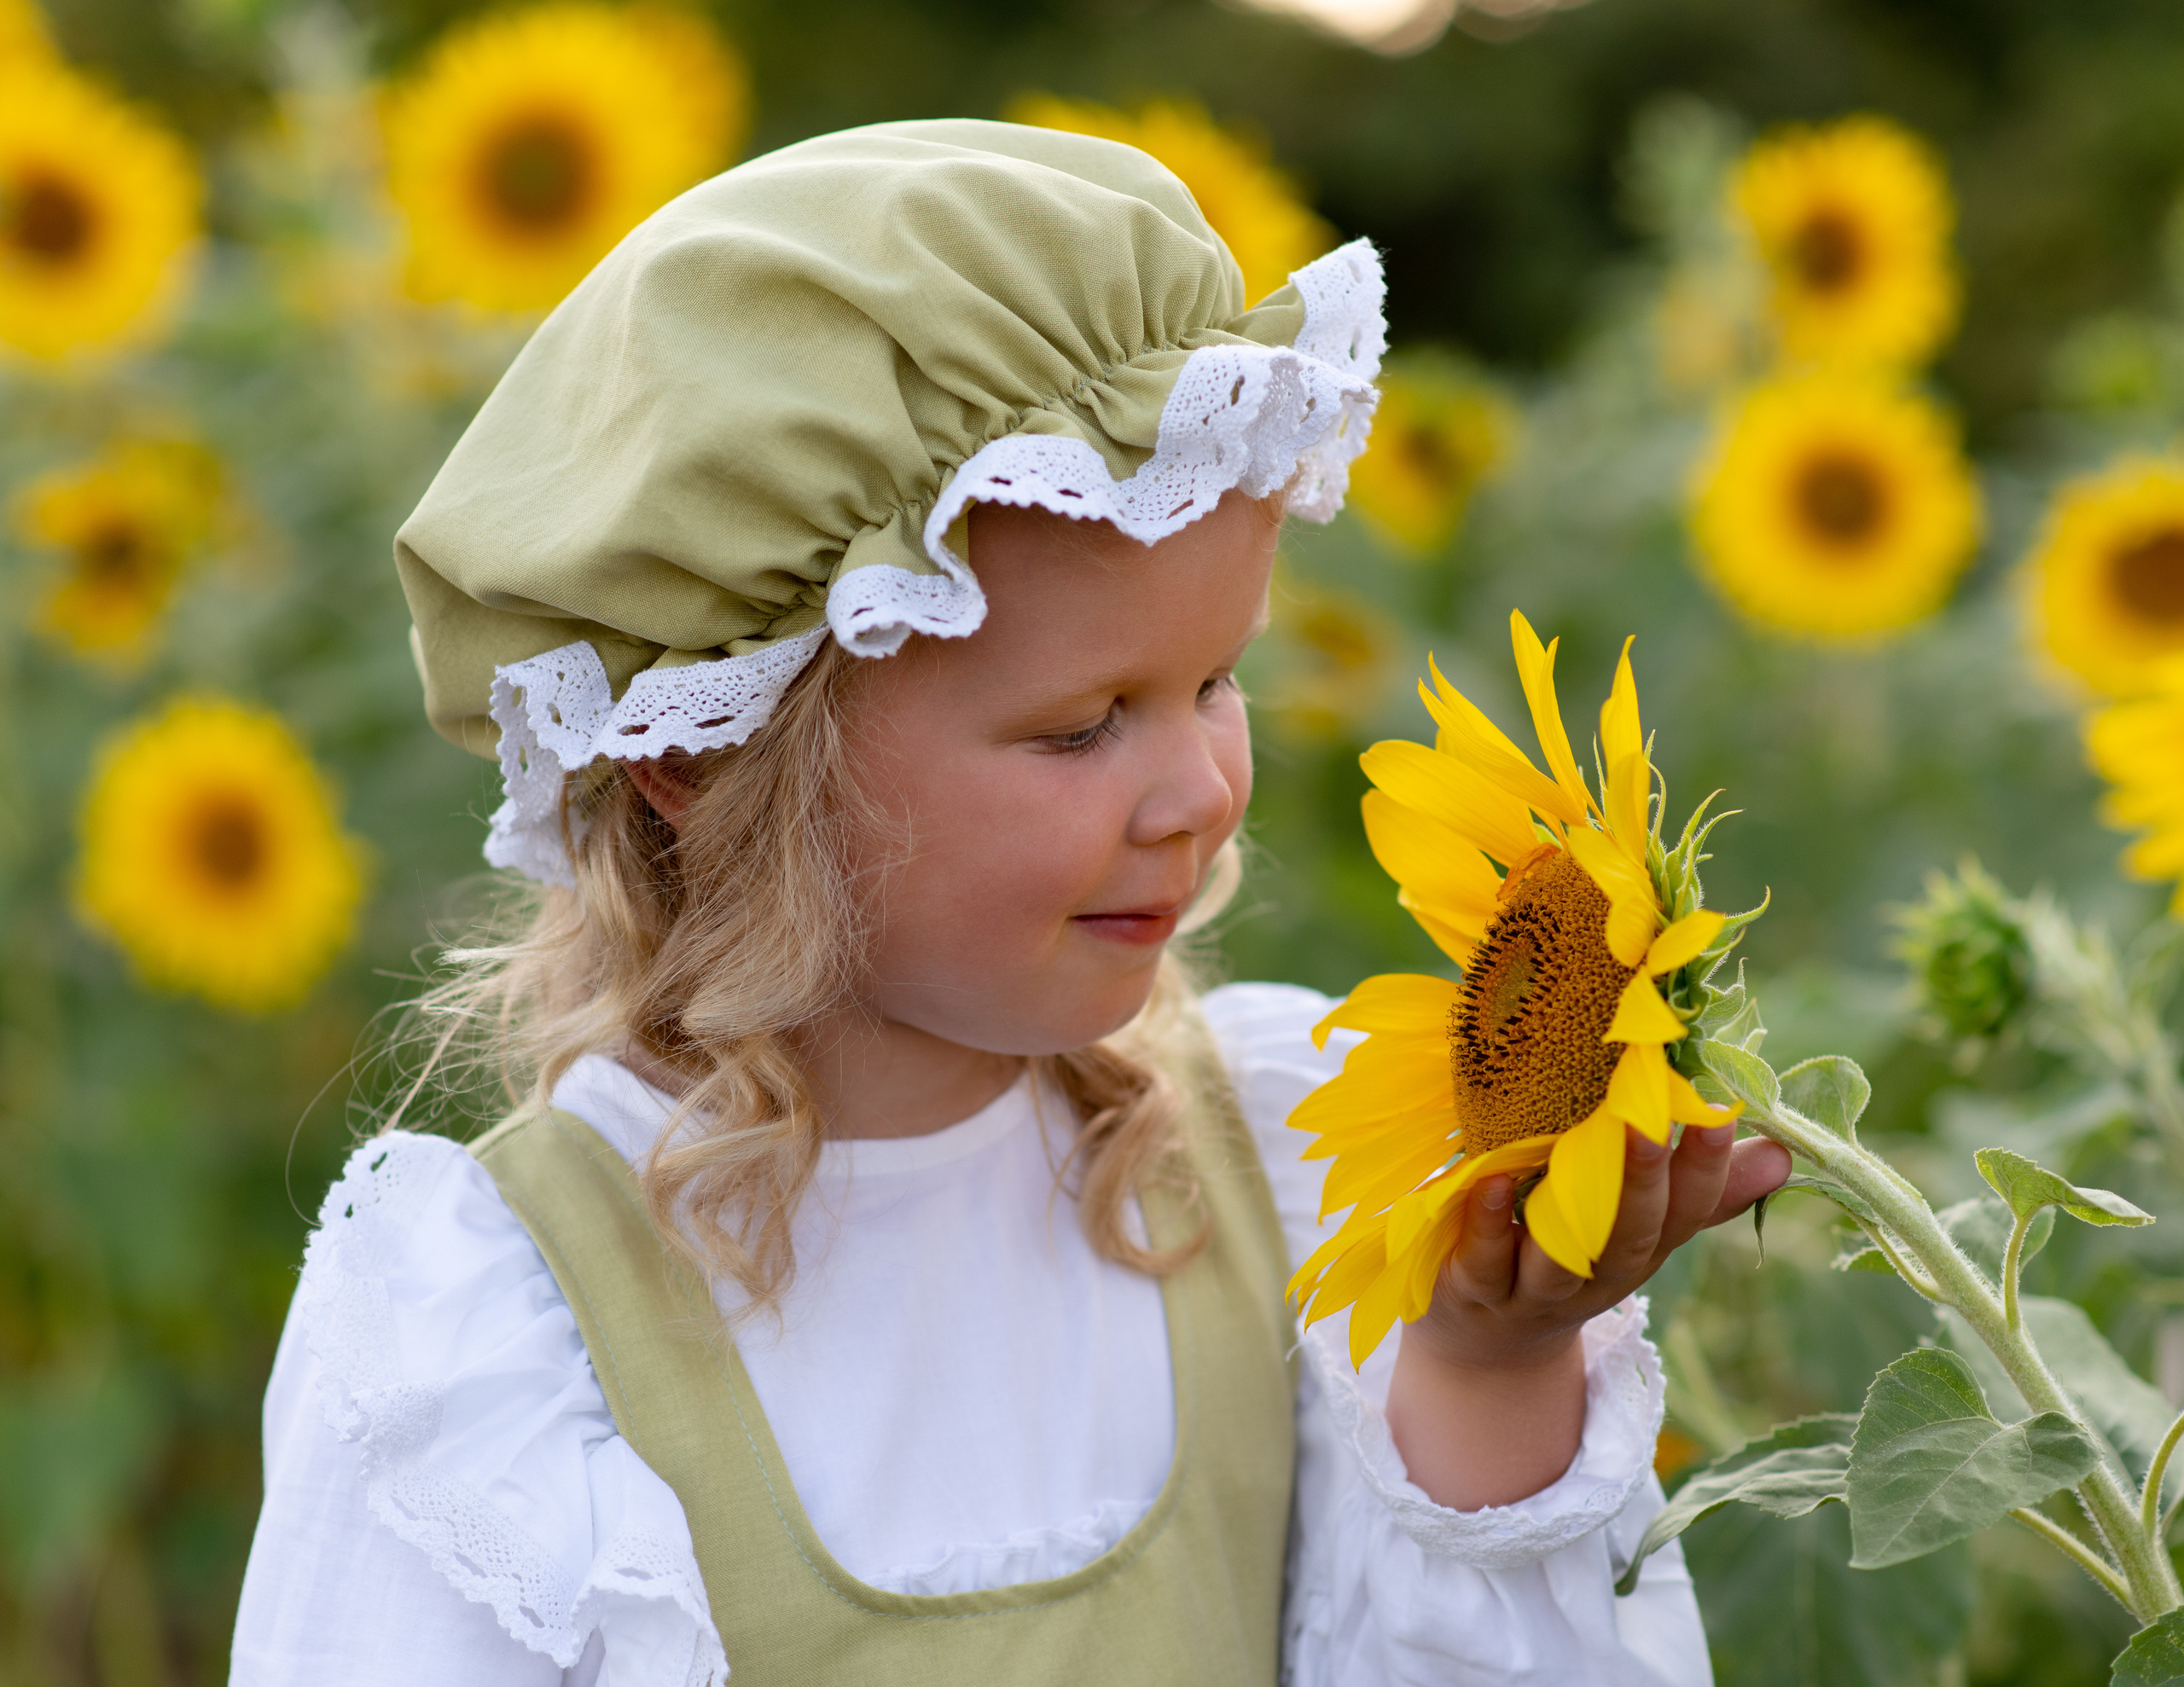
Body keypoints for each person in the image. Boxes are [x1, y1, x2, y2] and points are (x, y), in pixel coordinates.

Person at [229, 119, 1786, 1685]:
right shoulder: (508, 1333)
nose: (1200, 790)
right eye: (1083, 724)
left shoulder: (1271, 1170)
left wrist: (1487, 1359)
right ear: (705, 766)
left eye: (1214, 679)